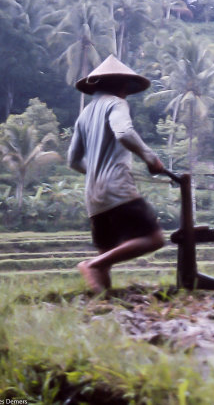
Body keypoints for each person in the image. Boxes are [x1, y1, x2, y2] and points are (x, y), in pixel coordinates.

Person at [68, 55, 165, 293]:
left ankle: (103, 309)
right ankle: (91, 265)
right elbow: (124, 132)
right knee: (155, 239)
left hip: (93, 196)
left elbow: (73, 160)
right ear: (122, 85)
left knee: (105, 262)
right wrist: (151, 159)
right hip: (117, 188)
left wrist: (97, 171)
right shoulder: (116, 104)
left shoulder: (85, 115)